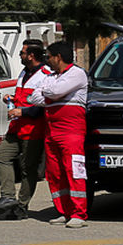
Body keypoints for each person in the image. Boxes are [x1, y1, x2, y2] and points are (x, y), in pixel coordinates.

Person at [0, 41, 52, 220]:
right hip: (16, 126)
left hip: (33, 130)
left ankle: (21, 206)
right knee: (1, 157)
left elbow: (44, 105)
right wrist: (13, 99)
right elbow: (26, 97)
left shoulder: (46, 75)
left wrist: (21, 110)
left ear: (31, 55)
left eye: (23, 53)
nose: (20, 56)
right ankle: (8, 197)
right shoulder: (24, 72)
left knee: (28, 169)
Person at [31, 40, 89, 228]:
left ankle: (79, 213)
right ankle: (64, 211)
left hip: (71, 132)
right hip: (52, 131)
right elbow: (34, 96)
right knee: (55, 173)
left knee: (74, 171)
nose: (47, 60)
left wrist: (46, 92)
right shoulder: (53, 76)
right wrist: (48, 93)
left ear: (58, 57)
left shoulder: (77, 74)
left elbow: (54, 92)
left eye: (49, 57)